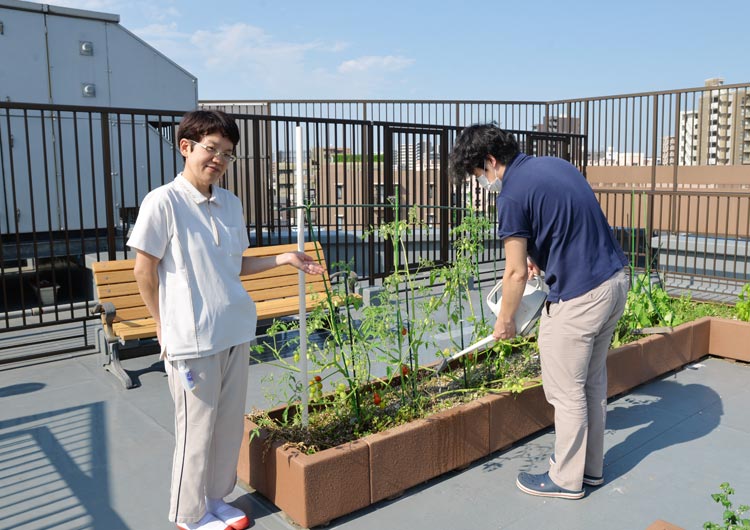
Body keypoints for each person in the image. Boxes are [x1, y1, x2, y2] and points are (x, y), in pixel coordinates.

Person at [128, 109, 324, 530]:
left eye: (227, 153)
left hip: (235, 329)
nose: (218, 159)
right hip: (191, 340)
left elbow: (234, 267)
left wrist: (284, 257)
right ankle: (187, 514)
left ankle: (216, 499)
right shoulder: (163, 201)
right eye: (211, 149)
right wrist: (162, 323)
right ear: (186, 147)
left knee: (228, 426)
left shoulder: (230, 203)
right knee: (195, 429)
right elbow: (143, 271)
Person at [449, 124, 629, 500]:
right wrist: (539, 258)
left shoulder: (511, 196)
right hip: (614, 281)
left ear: (491, 161)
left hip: (580, 297)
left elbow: (513, 273)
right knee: (591, 383)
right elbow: (565, 225)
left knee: (566, 392)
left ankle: (565, 479)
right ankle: (589, 470)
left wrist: (505, 320)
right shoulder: (555, 165)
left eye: (477, 174)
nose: (480, 182)